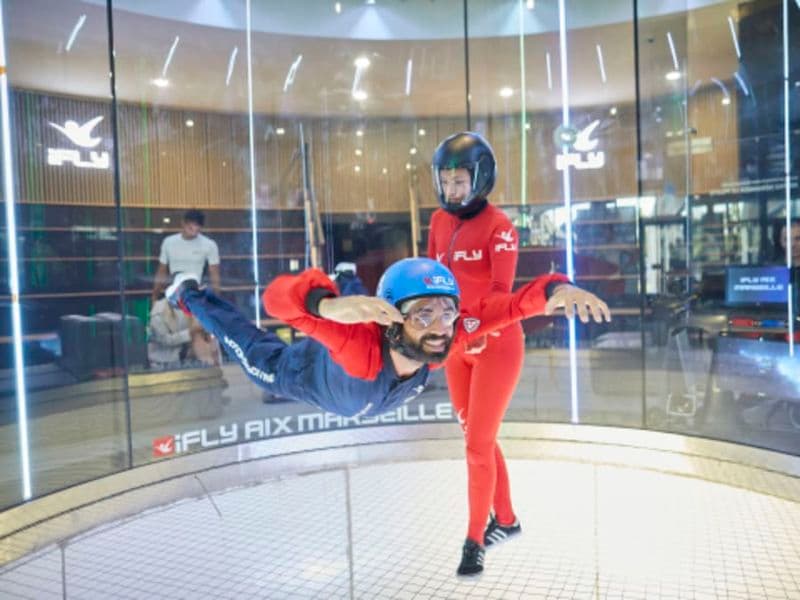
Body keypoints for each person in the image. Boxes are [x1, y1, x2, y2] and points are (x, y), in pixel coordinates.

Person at [165, 258, 610, 576]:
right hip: (304, 372)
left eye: (447, 310)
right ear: (395, 321)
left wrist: (559, 290)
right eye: (423, 313)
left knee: (366, 307)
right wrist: (325, 305)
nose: (440, 327)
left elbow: (515, 305)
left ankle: (347, 280)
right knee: (251, 354)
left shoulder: (446, 339)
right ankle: (188, 294)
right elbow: (279, 301)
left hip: (361, 343)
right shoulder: (357, 348)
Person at [426, 131, 531, 574]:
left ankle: (474, 540)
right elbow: (433, 279)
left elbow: (498, 294)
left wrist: (473, 328)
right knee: (479, 438)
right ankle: (505, 520)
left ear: (480, 178)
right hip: (455, 348)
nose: (451, 191)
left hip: (496, 344)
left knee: (475, 446)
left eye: (459, 181)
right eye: (445, 181)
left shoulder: (500, 228)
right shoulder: (437, 222)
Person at [152, 209, 221, 302]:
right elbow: (161, 271)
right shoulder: (169, 242)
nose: (194, 228)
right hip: (173, 293)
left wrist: (217, 300)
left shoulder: (209, 244)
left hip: (197, 294)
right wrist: (154, 296)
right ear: (183, 223)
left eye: (197, 225)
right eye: (191, 224)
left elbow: (214, 274)